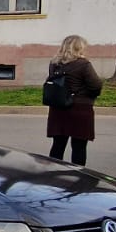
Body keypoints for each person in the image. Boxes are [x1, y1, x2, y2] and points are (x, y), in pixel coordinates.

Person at [44, 34, 103, 165]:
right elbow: (96, 85)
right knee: (79, 146)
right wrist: (89, 95)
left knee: (58, 145)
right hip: (80, 108)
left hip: (58, 108)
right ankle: (77, 175)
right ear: (79, 48)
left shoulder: (54, 64)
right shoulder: (83, 64)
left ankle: (53, 172)